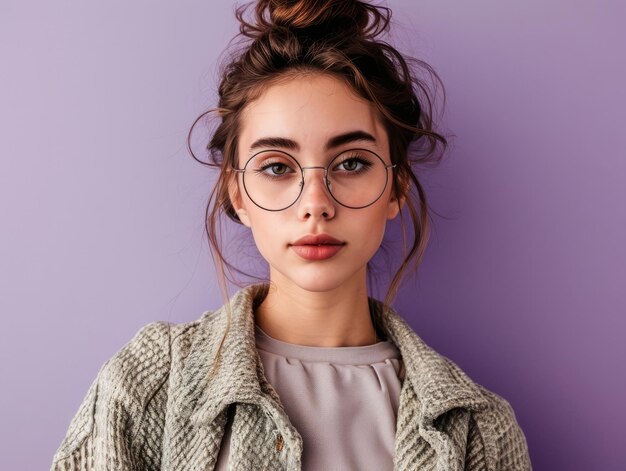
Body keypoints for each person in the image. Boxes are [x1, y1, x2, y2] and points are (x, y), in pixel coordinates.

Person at [50, 1, 532, 470]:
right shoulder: (148, 382)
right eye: (277, 167)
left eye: (352, 163)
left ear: (396, 186)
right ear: (236, 192)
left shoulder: (477, 427)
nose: (316, 203)